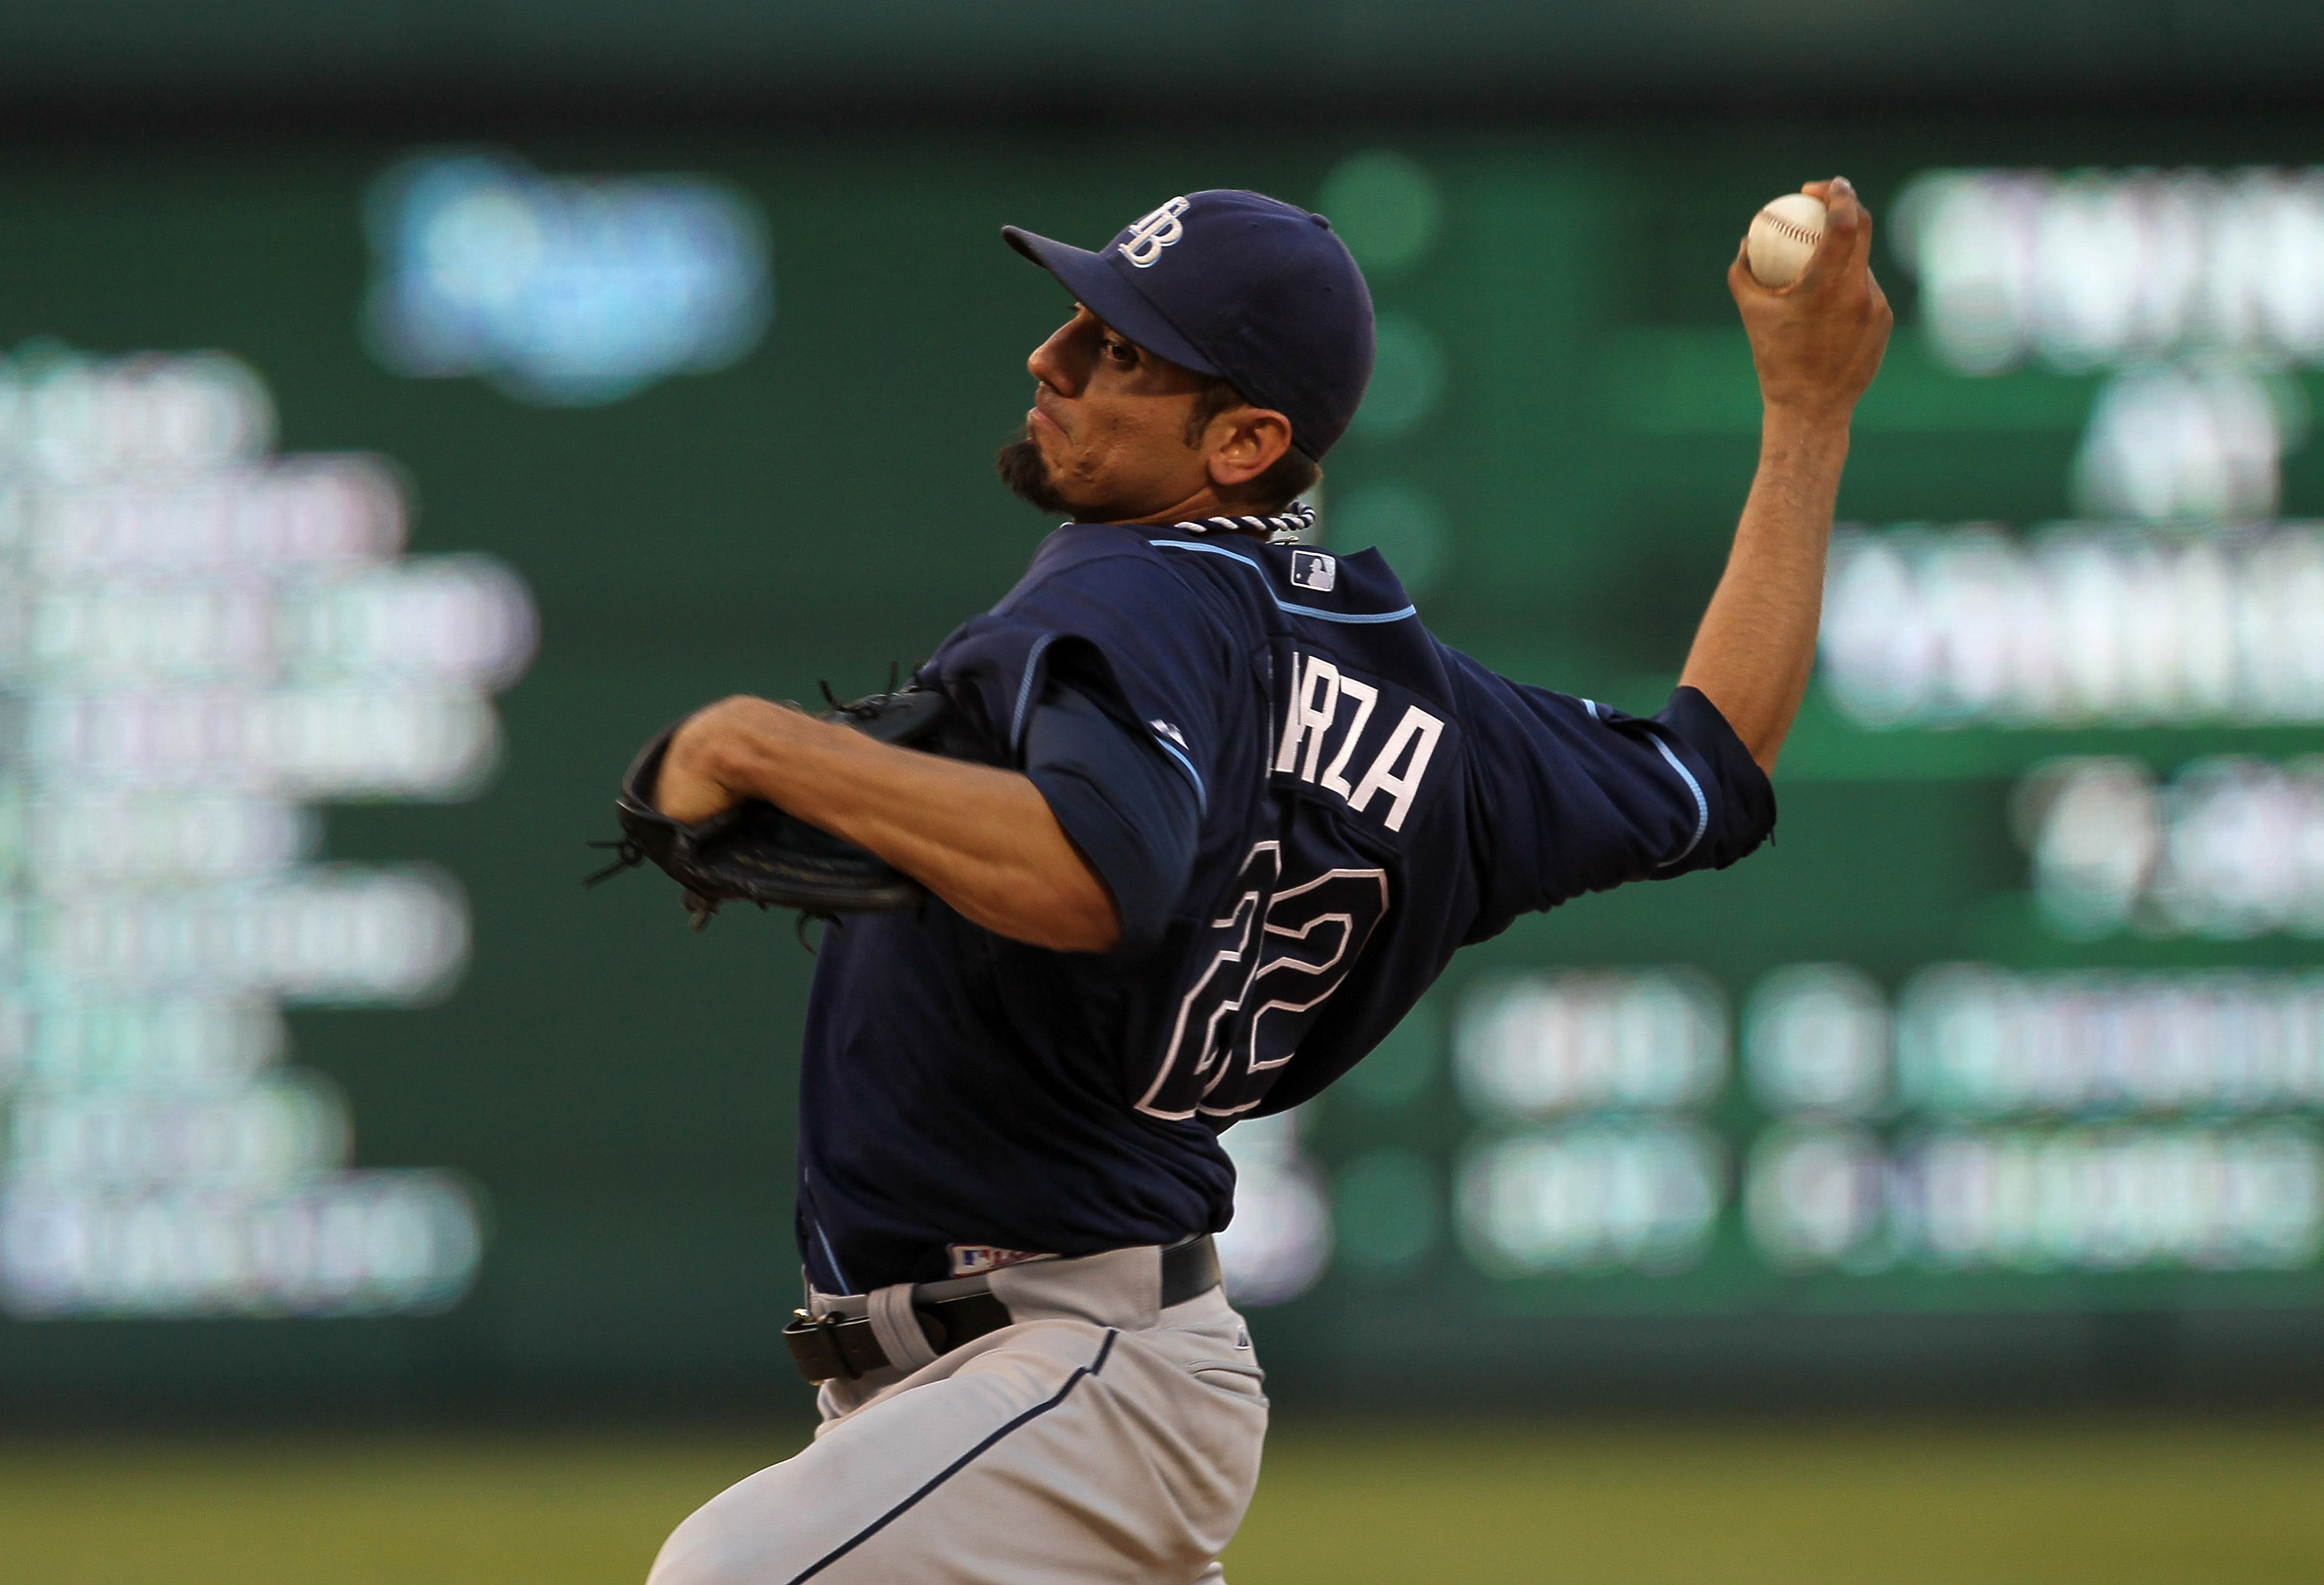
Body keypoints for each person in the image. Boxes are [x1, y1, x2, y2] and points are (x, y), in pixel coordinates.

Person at [643, 181, 1890, 1585]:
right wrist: (1807, 418)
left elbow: (1101, 871)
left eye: (1121, 350)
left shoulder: (1129, 587)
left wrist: (763, 747)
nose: (1053, 361)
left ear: (1244, 441)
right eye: (1079, 321)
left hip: (1068, 1373)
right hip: (1066, 1385)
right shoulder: (1429, 709)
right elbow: (1710, 768)